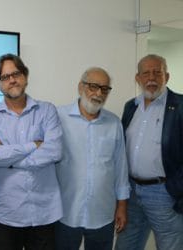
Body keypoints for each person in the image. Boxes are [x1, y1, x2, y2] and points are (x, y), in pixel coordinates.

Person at [0, 53, 63, 250]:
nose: (12, 80)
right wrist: (33, 145)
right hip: (6, 214)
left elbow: (55, 151)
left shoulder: (47, 110)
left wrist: (8, 158)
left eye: (16, 74)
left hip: (45, 213)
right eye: (5, 77)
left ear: (25, 75)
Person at [54, 67, 130, 250]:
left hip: (102, 214)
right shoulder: (58, 117)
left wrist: (122, 206)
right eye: (93, 86)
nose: (98, 93)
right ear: (81, 87)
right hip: (65, 212)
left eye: (105, 89)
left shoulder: (114, 123)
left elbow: (120, 167)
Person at [115, 54, 183, 250]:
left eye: (157, 72)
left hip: (164, 193)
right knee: (125, 245)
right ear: (138, 78)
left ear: (166, 76)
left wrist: (176, 187)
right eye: (146, 73)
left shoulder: (180, 106)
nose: (151, 78)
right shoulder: (131, 107)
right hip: (132, 193)